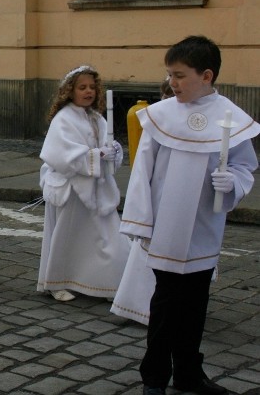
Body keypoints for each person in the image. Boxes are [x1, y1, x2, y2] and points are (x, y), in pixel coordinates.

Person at [120, 36, 258, 395]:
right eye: (169, 74)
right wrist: (139, 220)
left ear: (207, 75)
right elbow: (142, 171)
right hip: (166, 227)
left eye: (179, 75)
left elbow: (245, 167)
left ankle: (188, 374)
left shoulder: (230, 118)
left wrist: (234, 183)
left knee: (195, 305)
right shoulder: (160, 116)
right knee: (165, 306)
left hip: (203, 228)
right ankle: (154, 378)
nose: (172, 83)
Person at [37, 65, 129, 302]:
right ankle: (58, 281)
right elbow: (60, 153)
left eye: (92, 87)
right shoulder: (64, 118)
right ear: (70, 91)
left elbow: (107, 147)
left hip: (97, 187)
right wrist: (96, 156)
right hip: (72, 188)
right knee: (67, 238)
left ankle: (109, 283)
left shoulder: (97, 118)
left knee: (108, 237)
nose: (88, 92)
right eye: (82, 87)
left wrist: (112, 152)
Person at [111, 77, 176, 326]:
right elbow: (142, 167)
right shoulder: (155, 121)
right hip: (157, 200)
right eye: (165, 96)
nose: (167, 101)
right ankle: (138, 306)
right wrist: (139, 213)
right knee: (146, 256)